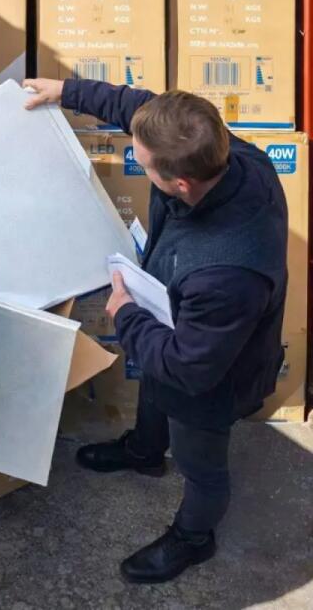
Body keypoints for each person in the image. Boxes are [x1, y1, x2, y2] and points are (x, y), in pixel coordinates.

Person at [24, 77, 288, 584]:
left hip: (212, 378)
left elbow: (188, 368)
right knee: (153, 386)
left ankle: (194, 536)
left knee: (199, 461)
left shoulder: (227, 271)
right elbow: (143, 108)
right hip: (174, 314)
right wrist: (66, 91)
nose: (138, 161)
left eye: (143, 164)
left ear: (181, 184)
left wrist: (127, 313)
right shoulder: (221, 150)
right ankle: (144, 451)